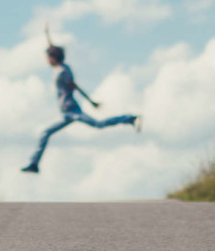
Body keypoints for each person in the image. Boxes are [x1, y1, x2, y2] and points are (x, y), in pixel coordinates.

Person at [21, 43, 141, 173]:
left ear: (53, 58)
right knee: (46, 133)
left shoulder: (63, 72)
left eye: (48, 57)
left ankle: (131, 119)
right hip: (66, 113)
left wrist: (91, 101)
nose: (46, 61)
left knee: (98, 124)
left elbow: (74, 86)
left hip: (72, 111)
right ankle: (34, 164)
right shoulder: (61, 68)